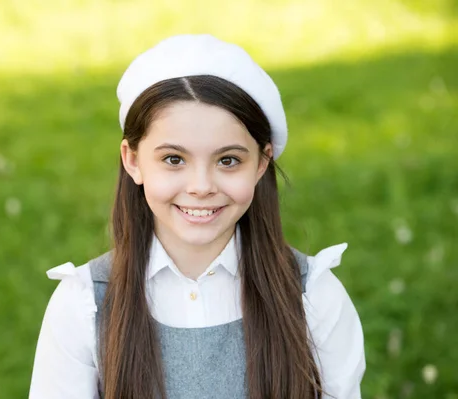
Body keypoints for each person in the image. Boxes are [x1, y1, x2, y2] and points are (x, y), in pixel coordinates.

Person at [29, 34, 365, 399]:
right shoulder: (83, 306)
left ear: (262, 162)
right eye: (174, 159)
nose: (201, 186)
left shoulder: (313, 298)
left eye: (228, 160)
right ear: (133, 160)